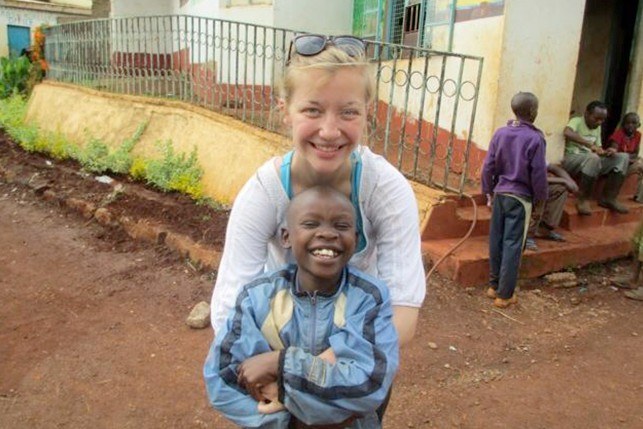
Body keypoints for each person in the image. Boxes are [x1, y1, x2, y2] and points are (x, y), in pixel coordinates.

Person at [209, 35, 426, 348]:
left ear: (367, 112)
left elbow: (402, 311)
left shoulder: (382, 188)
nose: (329, 131)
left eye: (348, 112)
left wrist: (318, 372)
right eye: (312, 110)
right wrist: (268, 371)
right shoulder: (264, 193)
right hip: (275, 348)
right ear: (285, 111)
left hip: (358, 353)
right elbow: (229, 307)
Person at [204, 186, 399, 428]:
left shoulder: (369, 299)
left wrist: (282, 363)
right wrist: (294, 422)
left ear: (356, 240)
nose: (327, 234)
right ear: (286, 236)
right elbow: (222, 377)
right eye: (310, 224)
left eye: (341, 226)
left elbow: (368, 383)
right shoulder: (257, 297)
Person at [482, 92, 548, 308]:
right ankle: (505, 294)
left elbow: (488, 166)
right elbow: (538, 172)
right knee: (513, 245)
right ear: (532, 112)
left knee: (497, 240)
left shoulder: (501, 133)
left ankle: (494, 286)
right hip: (520, 199)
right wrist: (541, 198)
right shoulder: (536, 138)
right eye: (536, 108)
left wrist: (488, 191)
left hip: (500, 193)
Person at [562, 101, 630, 215]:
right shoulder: (577, 121)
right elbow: (567, 132)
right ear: (587, 113)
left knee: (622, 157)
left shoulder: (597, 127)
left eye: (602, 120)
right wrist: (589, 145)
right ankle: (583, 199)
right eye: (596, 118)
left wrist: (607, 152)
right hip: (572, 159)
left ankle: (609, 198)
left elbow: (598, 148)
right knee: (593, 158)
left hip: (591, 160)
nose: (599, 122)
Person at [525, 164, 578, 252]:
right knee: (540, 188)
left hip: (534, 184)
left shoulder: (537, 151)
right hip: (518, 188)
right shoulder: (518, 152)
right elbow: (532, 178)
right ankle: (527, 235)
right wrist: (563, 180)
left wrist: (570, 180)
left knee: (560, 189)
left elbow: (553, 168)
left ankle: (544, 229)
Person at [608, 112, 643, 204]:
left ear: (639, 125)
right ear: (623, 124)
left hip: (629, 162)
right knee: (638, 165)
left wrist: (630, 158)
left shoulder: (638, 135)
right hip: (616, 164)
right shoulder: (618, 134)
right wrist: (628, 157)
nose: (630, 125)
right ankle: (611, 196)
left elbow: (636, 153)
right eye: (627, 123)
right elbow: (614, 155)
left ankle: (639, 197)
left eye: (633, 123)